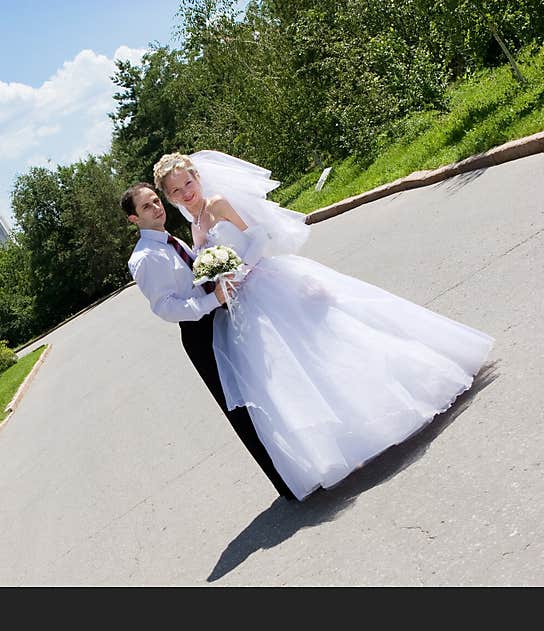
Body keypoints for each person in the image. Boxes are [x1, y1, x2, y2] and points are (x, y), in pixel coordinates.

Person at [153, 150, 494, 501]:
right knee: (293, 373)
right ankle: (346, 436)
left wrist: (240, 270)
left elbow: (257, 239)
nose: (186, 193)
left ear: (197, 177)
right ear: (169, 197)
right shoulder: (194, 226)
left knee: (328, 343)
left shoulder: (219, 204)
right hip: (243, 306)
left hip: (266, 283)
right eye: (176, 190)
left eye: (188, 182)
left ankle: (410, 388)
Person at [122, 182, 298, 500]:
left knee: (259, 389)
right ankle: (286, 482)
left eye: (156, 201)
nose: (156, 207)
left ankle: (297, 460)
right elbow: (165, 307)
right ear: (134, 219)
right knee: (240, 408)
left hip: (221, 318)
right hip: (199, 333)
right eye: (146, 207)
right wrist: (212, 300)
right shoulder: (145, 258)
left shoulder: (170, 240)